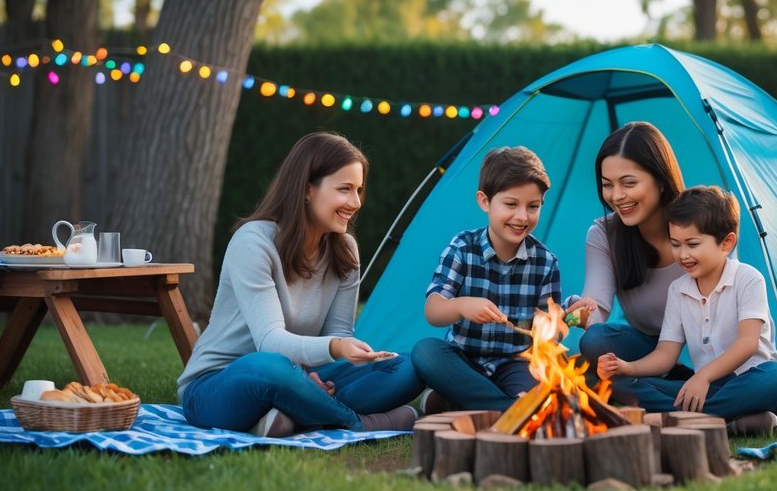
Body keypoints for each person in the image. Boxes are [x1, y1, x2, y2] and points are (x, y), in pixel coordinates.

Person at [177, 131, 423, 437]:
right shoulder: (253, 243)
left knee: (407, 365)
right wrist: (328, 354)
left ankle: (293, 414)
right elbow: (271, 342)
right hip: (218, 386)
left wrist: (310, 375)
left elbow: (338, 334)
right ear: (307, 189)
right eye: (345, 189)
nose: (356, 202)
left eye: (359, 190)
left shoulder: (344, 250)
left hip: (300, 375)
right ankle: (355, 423)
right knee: (269, 367)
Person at [596, 186, 777, 435]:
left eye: (692, 244)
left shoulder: (748, 279)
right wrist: (628, 368)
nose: (683, 255)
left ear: (727, 243)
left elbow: (748, 342)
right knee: (619, 383)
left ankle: (680, 419)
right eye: (676, 244)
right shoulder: (678, 290)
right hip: (704, 389)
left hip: (748, 382)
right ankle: (727, 422)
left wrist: (704, 377)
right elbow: (666, 354)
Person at [411, 146, 561, 411]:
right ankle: (508, 409)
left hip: (516, 363)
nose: (522, 216)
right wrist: (461, 306)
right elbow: (433, 311)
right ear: (484, 201)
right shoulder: (462, 248)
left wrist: (560, 321)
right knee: (425, 351)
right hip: (463, 359)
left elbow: (550, 336)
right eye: (511, 204)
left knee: (540, 384)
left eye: (533, 206)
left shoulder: (545, 262)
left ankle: (469, 403)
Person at [567, 122, 687, 370]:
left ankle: (683, 390)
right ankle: (685, 392)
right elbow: (597, 309)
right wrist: (578, 313)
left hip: (708, 348)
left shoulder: (700, 224)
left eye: (629, 183)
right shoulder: (604, 234)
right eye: (608, 185)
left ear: (661, 180)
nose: (617, 196)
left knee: (771, 381)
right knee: (595, 342)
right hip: (648, 351)